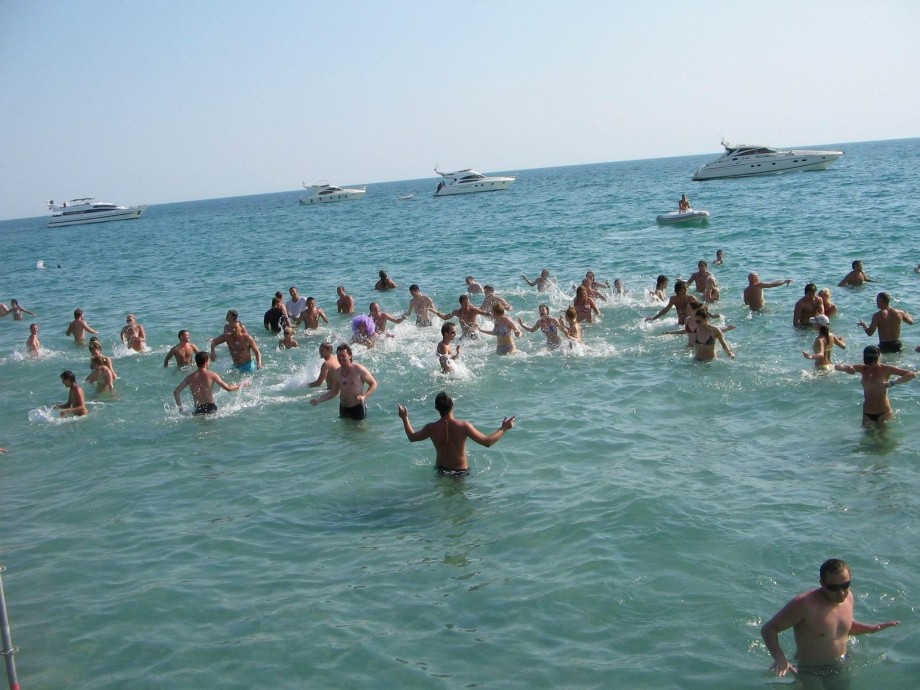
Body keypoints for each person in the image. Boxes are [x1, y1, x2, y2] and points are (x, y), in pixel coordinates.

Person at [761, 558, 899, 680]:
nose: (841, 592)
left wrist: (870, 629)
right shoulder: (804, 605)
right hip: (810, 671)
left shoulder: (848, 597)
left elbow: (842, 627)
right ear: (823, 583)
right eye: (833, 587)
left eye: (845, 585)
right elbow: (769, 629)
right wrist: (780, 659)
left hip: (841, 664)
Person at [396, 391, 516, 477]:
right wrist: (504, 428)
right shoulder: (463, 426)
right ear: (452, 405)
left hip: (441, 471)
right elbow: (487, 442)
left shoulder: (431, 428)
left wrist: (405, 418)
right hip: (461, 473)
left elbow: (412, 437)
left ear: (436, 408)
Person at [835, 345, 915, 427]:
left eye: (872, 362)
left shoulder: (886, 369)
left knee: (884, 439)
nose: (869, 365)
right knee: (866, 439)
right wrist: (847, 368)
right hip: (867, 413)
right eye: (867, 363)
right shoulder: (863, 369)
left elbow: (911, 374)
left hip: (883, 413)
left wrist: (892, 383)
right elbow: (837, 367)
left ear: (878, 357)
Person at [309, 343, 377, 420]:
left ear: (350, 355)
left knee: (360, 430)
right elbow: (334, 392)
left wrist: (365, 396)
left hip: (358, 407)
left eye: (343, 356)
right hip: (343, 408)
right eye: (339, 356)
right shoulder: (337, 372)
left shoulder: (359, 369)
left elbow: (373, 383)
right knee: (345, 431)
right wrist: (318, 400)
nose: (341, 358)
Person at [174, 351, 250, 415]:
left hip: (197, 410)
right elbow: (228, 388)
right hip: (210, 408)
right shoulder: (212, 375)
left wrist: (180, 408)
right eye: (209, 361)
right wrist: (243, 384)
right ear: (206, 362)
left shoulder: (190, 377)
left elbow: (176, 392)